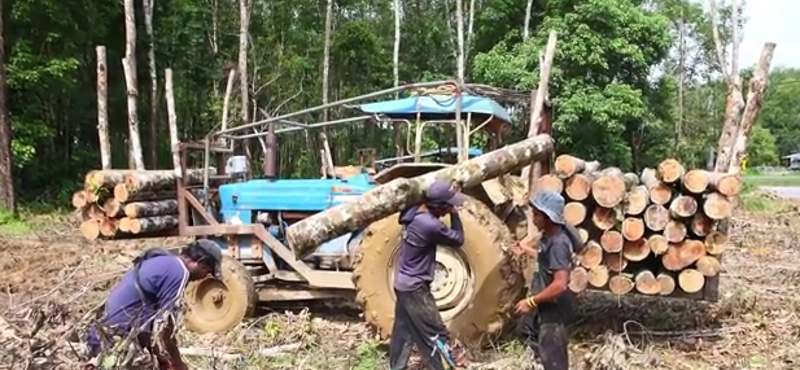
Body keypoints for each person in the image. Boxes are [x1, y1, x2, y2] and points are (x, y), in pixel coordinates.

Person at [85, 239, 223, 370]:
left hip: (99, 338)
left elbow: (150, 323)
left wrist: (159, 356)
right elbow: (165, 328)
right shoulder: (180, 272)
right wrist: (177, 363)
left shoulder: (163, 262)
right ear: (201, 262)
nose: (204, 277)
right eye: (207, 271)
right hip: (117, 344)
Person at [389, 180, 467, 370]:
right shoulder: (429, 225)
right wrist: (455, 215)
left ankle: (396, 367)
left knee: (403, 331)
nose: (450, 209)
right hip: (416, 289)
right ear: (438, 206)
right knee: (436, 333)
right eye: (448, 206)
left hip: (402, 284)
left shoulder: (412, 212)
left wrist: (448, 195)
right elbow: (458, 239)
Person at [512, 190, 576, 370]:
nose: (533, 219)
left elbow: (560, 284)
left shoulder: (558, 243)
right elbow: (546, 259)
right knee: (525, 330)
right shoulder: (548, 238)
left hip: (554, 308)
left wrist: (530, 301)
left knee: (554, 358)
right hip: (544, 303)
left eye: (537, 215)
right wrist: (526, 250)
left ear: (549, 217)